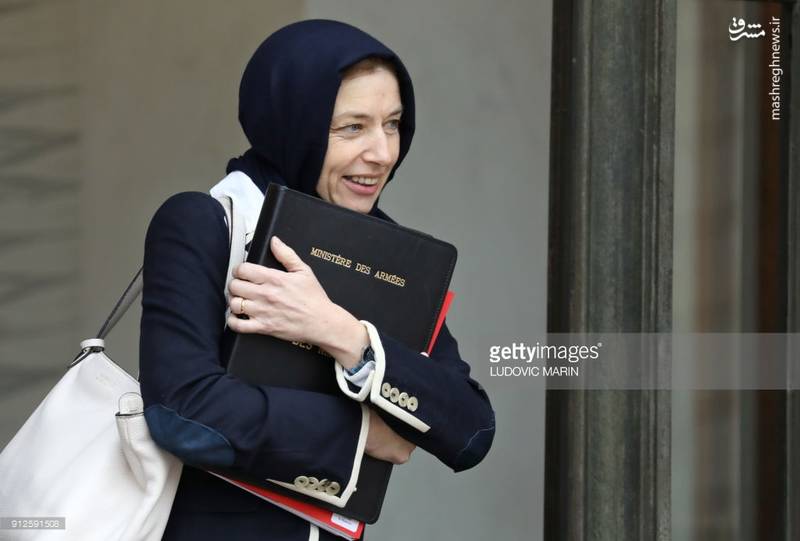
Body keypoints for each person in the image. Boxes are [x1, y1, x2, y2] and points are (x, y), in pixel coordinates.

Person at [140, 19, 495, 541]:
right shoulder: (206, 222)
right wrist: (364, 434)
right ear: (292, 123)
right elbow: (184, 414)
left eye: (393, 124)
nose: (382, 153)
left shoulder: (390, 257)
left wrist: (342, 334)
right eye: (352, 127)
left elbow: (470, 429)